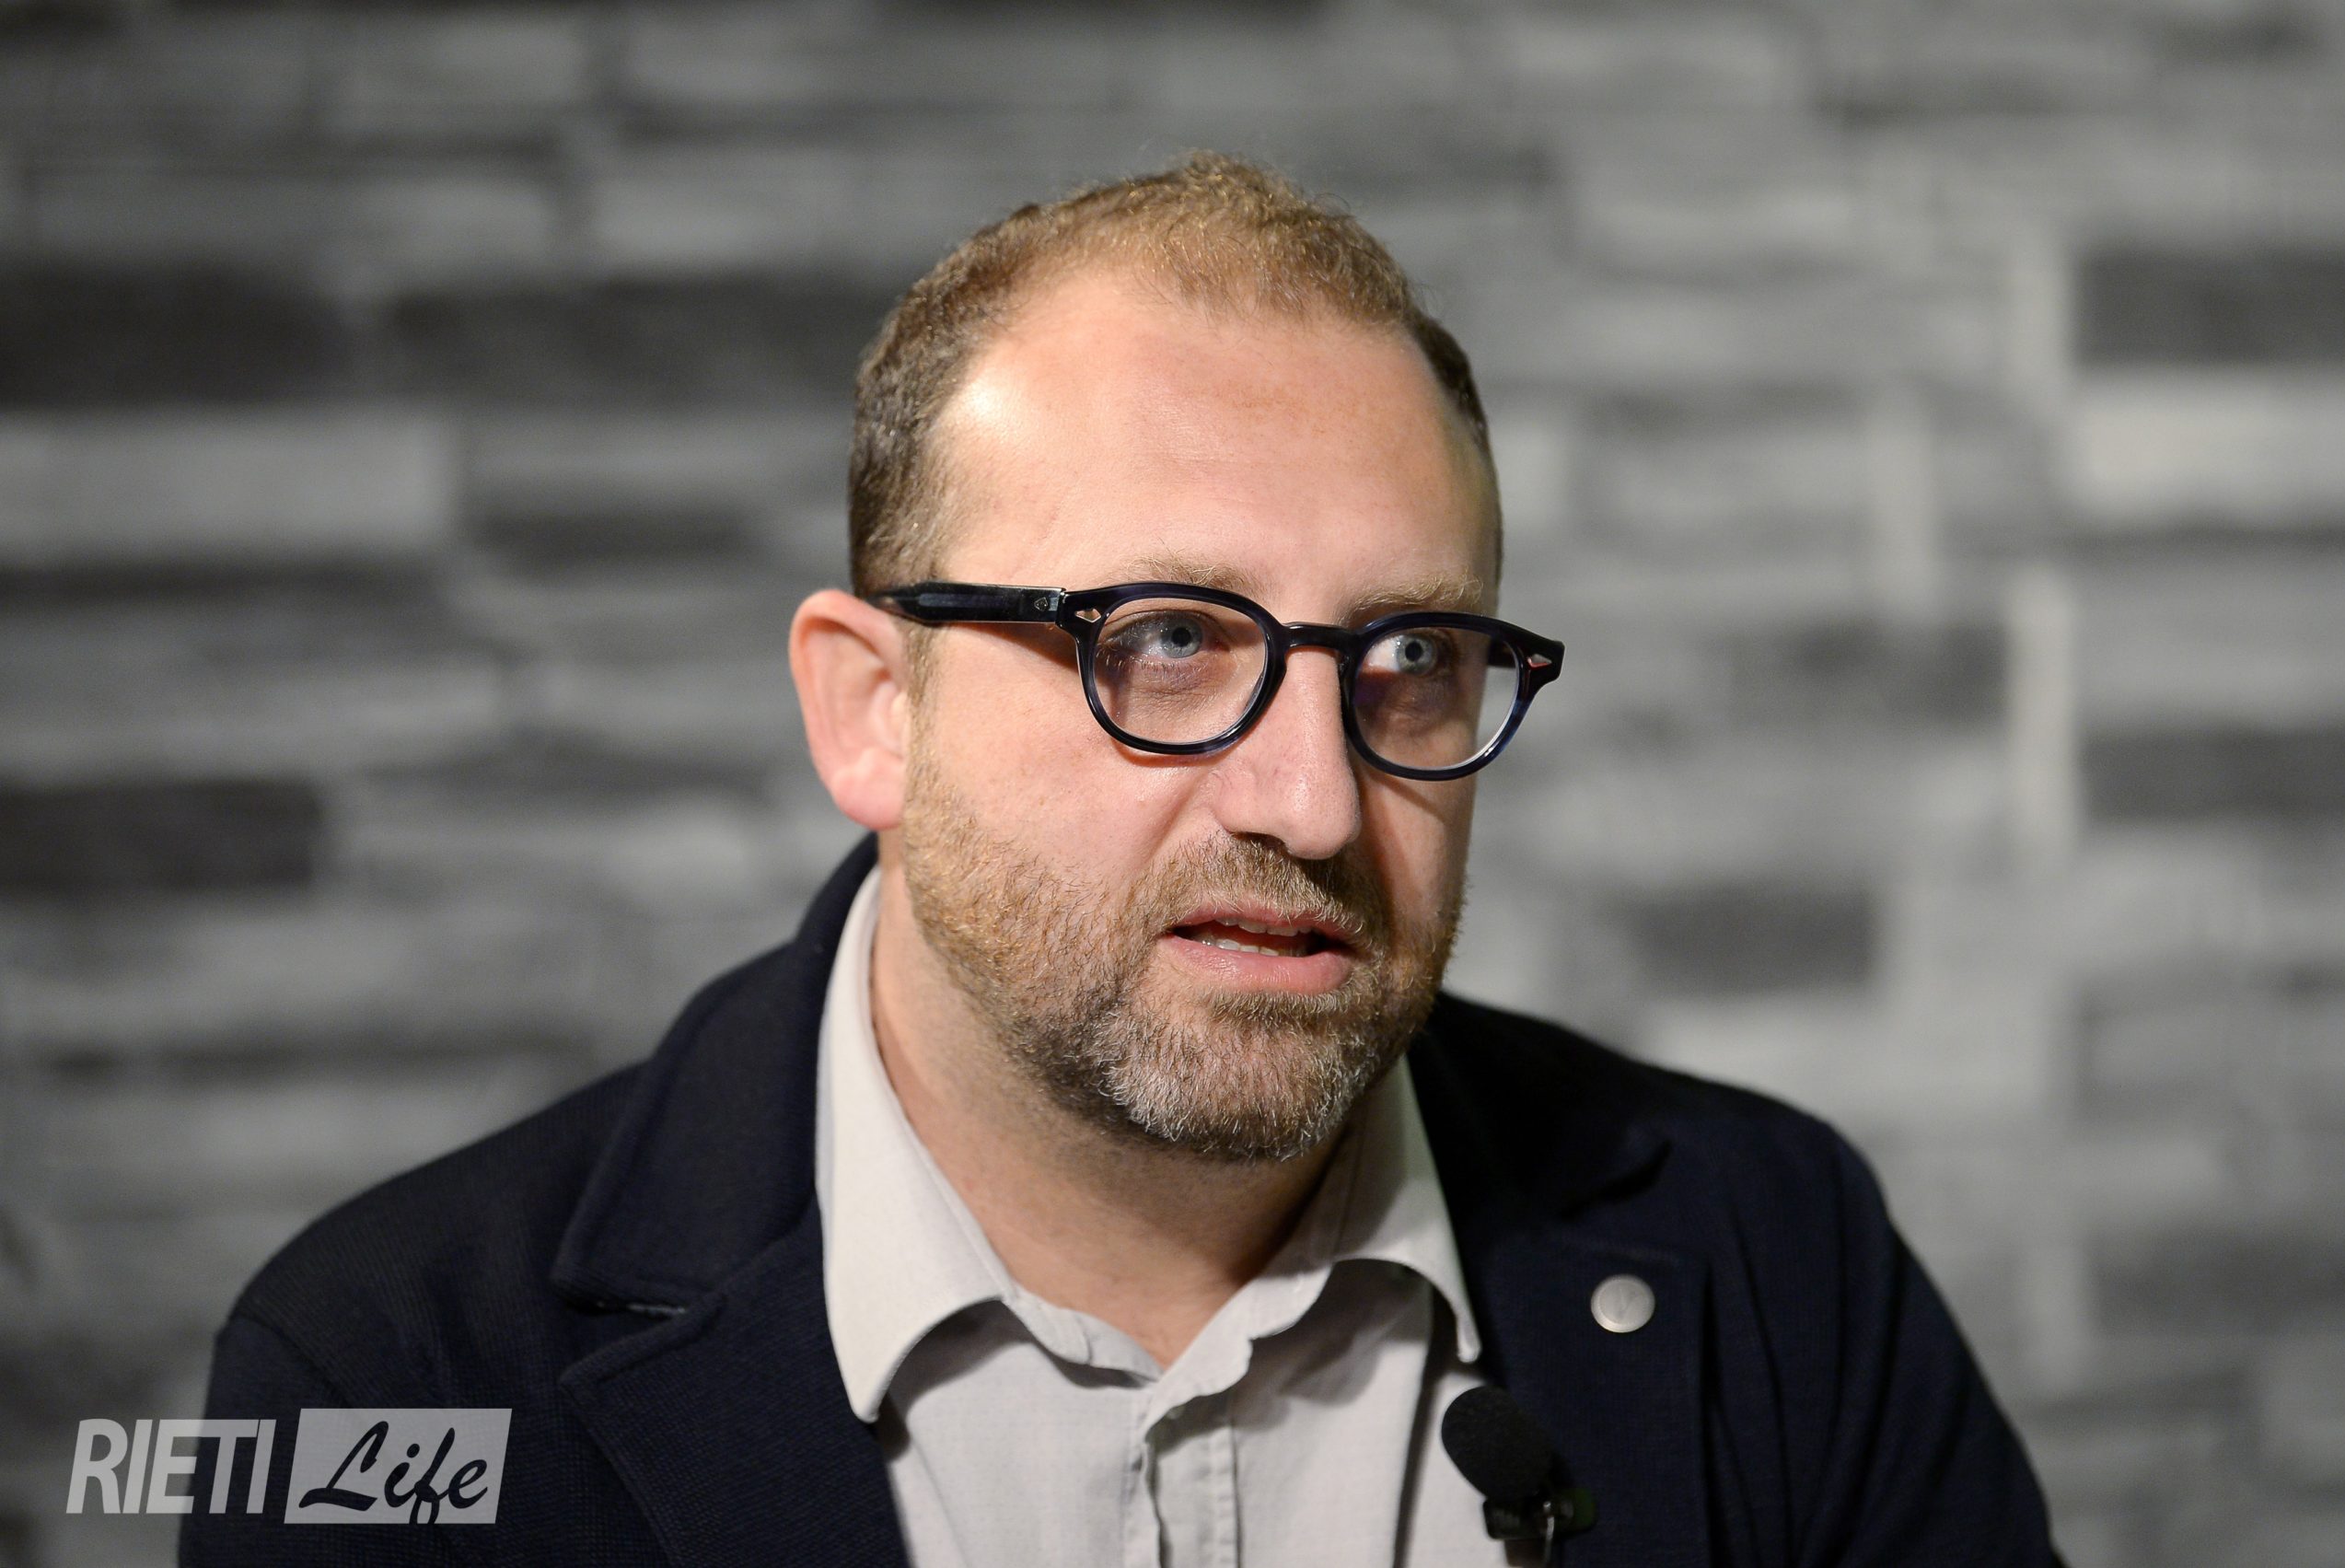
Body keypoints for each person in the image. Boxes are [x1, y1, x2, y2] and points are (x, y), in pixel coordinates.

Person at [186, 154, 2060, 1565]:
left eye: (1409, 660)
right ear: (871, 711)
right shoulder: (392, 1373)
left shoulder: (1768, 1264)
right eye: (1164, 642)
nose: (1311, 804)